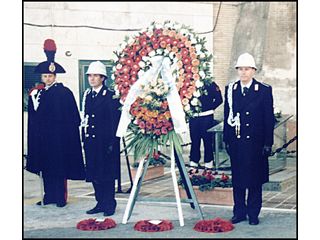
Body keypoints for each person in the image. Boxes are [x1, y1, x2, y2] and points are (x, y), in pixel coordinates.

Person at [26, 39, 85, 207]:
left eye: (50, 76)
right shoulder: (38, 94)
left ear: (55, 76)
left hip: (59, 140)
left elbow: (73, 117)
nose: (47, 78)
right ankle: (49, 195)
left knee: (59, 168)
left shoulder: (64, 92)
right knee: (46, 168)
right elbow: (35, 118)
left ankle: (60, 197)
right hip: (44, 140)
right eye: (45, 76)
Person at [223, 53, 275, 225]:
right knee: (238, 179)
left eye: (247, 69)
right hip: (237, 142)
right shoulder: (231, 89)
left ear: (253, 71)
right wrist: (226, 139)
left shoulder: (264, 90)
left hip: (256, 143)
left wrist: (268, 143)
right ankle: (239, 212)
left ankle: (253, 213)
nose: (243, 72)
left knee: (255, 179)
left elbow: (268, 118)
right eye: (240, 69)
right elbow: (226, 116)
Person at [81, 61, 121, 216]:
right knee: (94, 173)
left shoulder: (110, 95)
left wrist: (112, 143)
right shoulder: (87, 95)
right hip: (91, 141)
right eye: (90, 75)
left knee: (107, 174)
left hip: (105, 143)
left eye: (95, 76)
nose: (92, 79)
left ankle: (109, 203)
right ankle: (100, 202)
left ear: (103, 78)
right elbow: (86, 118)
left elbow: (113, 121)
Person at [188, 81, 223, 174]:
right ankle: (193, 163)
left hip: (206, 117)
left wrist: (209, 108)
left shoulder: (210, 84)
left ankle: (209, 164)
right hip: (194, 117)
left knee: (207, 141)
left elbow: (219, 99)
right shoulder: (188, 82)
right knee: (195, 141)